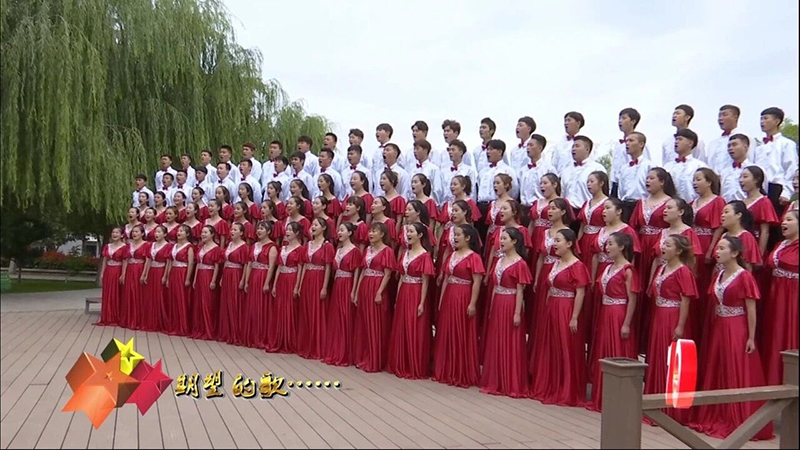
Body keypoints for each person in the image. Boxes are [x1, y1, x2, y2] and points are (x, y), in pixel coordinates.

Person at [690, 236, 773, 441]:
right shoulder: (719, 275)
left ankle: (738, 416)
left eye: (722, 248)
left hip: (737, 327)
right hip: (719, 325)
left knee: (734, 368)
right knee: (717, 366)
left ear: (735, 253)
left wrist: (751, 337)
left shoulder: (744, 276)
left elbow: (751, 308)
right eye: (717, 248)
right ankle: (715, 411)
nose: (717, 252)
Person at [530, 229, 591, 406]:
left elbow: (580, 292)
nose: (554, 244)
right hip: (552, 307)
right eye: (554, 241)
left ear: (569, 243)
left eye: (558, 241)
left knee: (566, 346)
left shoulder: (577, 266)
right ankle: (550, 384)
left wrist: (574, 317)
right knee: (551, 345)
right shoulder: (556, 263)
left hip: (567, 308)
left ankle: (567, 388)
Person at [644, 234, 698, 425]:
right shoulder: (661, 268)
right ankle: (655, 404)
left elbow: (686, 300)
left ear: (679, 250)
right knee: (658, 357)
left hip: (673, 316)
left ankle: (674, 410)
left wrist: (680, 325)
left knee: (673, 361)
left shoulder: (683, 271)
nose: (663, 248)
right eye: (663, 244)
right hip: (659, 315)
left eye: (668, 245)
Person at [586, 232, 639, 412]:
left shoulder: (628, 270)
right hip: (606, 311)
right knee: (604, 349)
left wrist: (626, 323)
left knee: (617, 349)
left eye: (610, 244)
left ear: (621, 247)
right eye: (606, 244)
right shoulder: (608, 267)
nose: (606, 248)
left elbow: (632, 298)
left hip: (618, 313)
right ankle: (602, 396)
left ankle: (619, 398)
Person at [479, 227, 532, 398]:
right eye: (500, 238)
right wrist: (492, 306)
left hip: (511, 302)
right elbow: (495, 285)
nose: (501, 242)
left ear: (514, 241)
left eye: (505, 239)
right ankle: (495, 379)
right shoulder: (499, 260)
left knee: (510, 341)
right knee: (496, 339)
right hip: (498, 302)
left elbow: (520, 291)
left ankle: (511, 381)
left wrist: (517, 313)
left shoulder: (520, 263)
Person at [433, 224, 484, 388]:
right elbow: (446, 278)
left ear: (468, 238)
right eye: (454, 235)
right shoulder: (452, 255)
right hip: (450, 294)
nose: (455, 238)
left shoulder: (474, 257)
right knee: (447, 330)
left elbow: (477, 281)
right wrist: (442, 299)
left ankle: (461, 371)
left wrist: (472, 303)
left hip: (464, 295)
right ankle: (445, 369)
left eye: (458, 235)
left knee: (461, 330)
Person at [629, 168, 675, 340]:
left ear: (662, 181)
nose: (648, 181)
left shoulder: (669, 203)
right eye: (647, 178)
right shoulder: (641, 202)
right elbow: (633, 228)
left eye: (652, 178)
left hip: (659, 247)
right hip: (641, 247)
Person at [387, 223, 435, 379]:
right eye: (407, 231)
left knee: (414, 326)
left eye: (411, 232)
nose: (408, 234)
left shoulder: (425, 255)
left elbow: (425, 281)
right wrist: (398, 296)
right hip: (404, 291)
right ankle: (400, 362)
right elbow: (401, 276)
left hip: (416, 292)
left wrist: (422, 302)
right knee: (401, 325)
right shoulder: (405, 253)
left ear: (420, 235)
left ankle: (414, 364)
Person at [762, 210, 799, 385]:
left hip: (793, 299)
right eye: (783, 220)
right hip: (775, 297)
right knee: (773, 335)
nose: (783, 223)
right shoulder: (780, 244)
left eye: (789, 220)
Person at [530, 199, 573, 345]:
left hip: (560, 272)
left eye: (554, 208)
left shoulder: (567, 233)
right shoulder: (545, 232)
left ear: (563, 212)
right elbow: (541, 257)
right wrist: (537, 278)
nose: (550, 211)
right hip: (545, 272)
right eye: (549, 208)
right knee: (541, 309)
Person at [353, 222, 396, 373]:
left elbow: (388, 274)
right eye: (370, 231)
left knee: (376, 323)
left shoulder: (387, 251)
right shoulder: (367, 250)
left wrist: (379, 291)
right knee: (364, 321)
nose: (370, 234)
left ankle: (374, 359)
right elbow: (363, 271)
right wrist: (357, 291)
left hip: (377, 285)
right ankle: (362, 356)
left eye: (374, 231)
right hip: (365, 285)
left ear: (382, 234)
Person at [691, 168, 727, 341]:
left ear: (709, 182)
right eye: (694, 179)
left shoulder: (718, 201)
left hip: (706, 242)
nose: (695, 183)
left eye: (699, 179)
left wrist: (711, 248)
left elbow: (719, 226)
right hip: (692, 243)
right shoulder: (693, 202)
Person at [322, 223, 363, 367]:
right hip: (338, 284)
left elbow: (357, 271)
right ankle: (334, 350)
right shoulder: (338, 250)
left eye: (342, 230)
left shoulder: (355, 251)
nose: (339, 233)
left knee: (345, 317)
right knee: (336, 317)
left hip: (348, 283)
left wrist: (354, 290)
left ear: (350, 233)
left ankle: (345, 352)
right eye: (338, 230)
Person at [297, 218, 335, 360]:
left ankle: (317, 346)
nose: (313, 227)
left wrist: (324, 287)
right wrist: (300, 285)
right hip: (307, 278)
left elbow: (328, 268)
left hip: (319, 279)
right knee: (306, 311)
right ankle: (306, 345)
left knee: (317, 312)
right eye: (312, 225)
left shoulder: (327, 246)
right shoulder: (308, 245)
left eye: (316, 225)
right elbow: (304, 265)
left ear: (323, 228)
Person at [266, 222, 307, 353]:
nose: (287, 232)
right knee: (279, 308)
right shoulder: (283, 248)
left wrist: (297, 286)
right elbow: (279, 266)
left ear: (296, 233)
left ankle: (289, 340)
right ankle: (279, 338)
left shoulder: (300, 249)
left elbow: (300, 268)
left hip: (292, 278)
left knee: (289, 309)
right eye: (287, 229)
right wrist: (275, 284)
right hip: (282, 279)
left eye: (290, 230)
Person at [648, 199, 703, 287]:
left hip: (677, 278)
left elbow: (692, 260)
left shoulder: (688, 232)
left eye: (669, 208)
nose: (665, 211)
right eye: (664, 208)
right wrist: (651, 282)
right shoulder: (663, 232)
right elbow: (657, 259)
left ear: (681, 212)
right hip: (660, 276)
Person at [754, 107, 798, 215]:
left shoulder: (786, 144)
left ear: (776, 121)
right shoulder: (759, 148)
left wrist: (787, 192)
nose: (762, 122)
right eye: (761, 119)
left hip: (777, 188)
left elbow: (791, 168)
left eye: (765, 118)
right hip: (760, 190)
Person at [243, 221, 278, 349]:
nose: (258, 231)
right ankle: (251, 336)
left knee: (262, 306)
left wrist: (267, 283)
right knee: (252, 306)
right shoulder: (254, 245)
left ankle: (262, 336)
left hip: (263, 276)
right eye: (258, 228)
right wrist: (246, 281)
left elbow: (271, 266)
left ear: (268, 231)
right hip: (253, 276)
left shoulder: (272, 247)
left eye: (262, 229)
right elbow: (249, 264)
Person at [218, 222, 250, 346]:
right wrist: (222, 276)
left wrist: (243, 279)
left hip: (236, 274)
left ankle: (236, 333)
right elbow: (225, 262)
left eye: (235, 230)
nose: (232, 231)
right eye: (231, 229)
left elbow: (246, 264)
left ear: (241, 233)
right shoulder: (229, 244)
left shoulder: (244, 247)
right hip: (227, 273)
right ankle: (226, 332)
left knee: (235, 302)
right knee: (226, 301)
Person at [190, 226, 222, 340]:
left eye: (205, 232)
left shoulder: (216, 249)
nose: (203, 234)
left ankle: (208, 330)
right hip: (200, 275)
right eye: (202, 232)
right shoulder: (200, 247)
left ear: (212, 234)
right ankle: (199, 328)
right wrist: (194, 279)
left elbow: (217, 266)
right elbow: (198, 264)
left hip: (208, 275)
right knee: (198, 302)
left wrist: (213, 280)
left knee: (207, 302)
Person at [561, 136, 607, 215]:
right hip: (568, 212)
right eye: (573, 146)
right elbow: (563, 193)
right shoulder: (566, 170)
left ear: (587, 149)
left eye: (577, 146)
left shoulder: (597, 168)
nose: (573, 149)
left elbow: (604, 192)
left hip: (587, 212)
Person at [611, 108, 652, 195]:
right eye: (619, 118)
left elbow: (645, 166)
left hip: (633, 184)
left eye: (624, 118)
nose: (620, 121)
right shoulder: (618, 145)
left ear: (633, 121)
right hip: (618, 183)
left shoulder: (640, 143)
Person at [742, 166, 779, 257]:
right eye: (740, 177)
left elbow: (765, 231)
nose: (741, 180)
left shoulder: (764, 202)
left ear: (756, 179)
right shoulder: (742, 202)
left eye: (745, 177)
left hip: (755, 244)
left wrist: (759, 255)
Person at [96, 227, 130, 326]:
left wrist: (123, 274)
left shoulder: (124, 247)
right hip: (108, 271)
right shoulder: (107, 246)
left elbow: (125, 261)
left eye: (117, 233)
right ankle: (107, 316)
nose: (114, 234)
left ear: (122, 235)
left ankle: (116, 316)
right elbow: (105, 260)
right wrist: (102, 273)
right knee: (107, 293)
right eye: (113, 232)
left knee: (116, 293)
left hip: (118, 270)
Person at [663, 128, 708, 203]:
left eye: (680, 139)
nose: (676, 142)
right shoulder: (667, 167)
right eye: (676, 139)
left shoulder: (699, 166)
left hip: (694, 205)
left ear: (690, 143)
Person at [617, 132, 653, 222]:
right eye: (626, 141)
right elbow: (621, 190)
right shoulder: (624, 168)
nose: (627, 143)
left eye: (631, 140)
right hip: (625, 205)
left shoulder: (649, 166)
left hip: (642, 205)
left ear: (641, 144)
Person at [165, 225, 194, 336]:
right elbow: (170, 262)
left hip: (182, 272)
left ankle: (182, 326)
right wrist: (168, 276)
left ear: (187, 234)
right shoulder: (174, 246)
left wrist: (187, 278)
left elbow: (190, 263)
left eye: (182, 231)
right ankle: (173, 325)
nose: (179, 232)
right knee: (173, 298)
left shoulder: (189, 247)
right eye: (178, 230)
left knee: (181, 298)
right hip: (174, 272)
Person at [141, 225, 171, 332]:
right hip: (152, 271)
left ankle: (159, 321)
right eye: (155, 232)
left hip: (160, 271)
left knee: (159, 296)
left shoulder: (168, 246)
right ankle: (149, 321)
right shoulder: (151, 245)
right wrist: (145, 274)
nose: (156, 234)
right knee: (150, 296)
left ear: (165, 234)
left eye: (159, 232)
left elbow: (168, 262)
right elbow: (148, 260)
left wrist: (165, 276)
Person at [519, 134, 556, 220]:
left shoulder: (548, 168)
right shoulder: (523, 170)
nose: (528, 148)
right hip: (524, 208)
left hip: (542, 208)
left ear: (540, 148)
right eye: (527, 145)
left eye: (531, 145)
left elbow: (555, 190)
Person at [577, 171, 609, 266]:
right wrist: (578, 242)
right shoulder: (586, 203)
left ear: (601, 183)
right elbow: (582, 225)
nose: (588, 184)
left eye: (592, 181)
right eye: (587, 182)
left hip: (599, 239)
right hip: (584, 240)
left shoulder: (607, 203)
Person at [121, 225, 149, 329]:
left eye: (137, 232)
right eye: (133, 232)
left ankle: (138, 320)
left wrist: (144, 274)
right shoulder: (128, 246)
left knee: (138, 293)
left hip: (140, 269)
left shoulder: (147, 245)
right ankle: (128, 319)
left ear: (142, 233)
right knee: (129, 293)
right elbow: (125, 260)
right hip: (130, 269)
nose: (134, 233)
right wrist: (123, 274)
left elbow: (148, 260)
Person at [707, 104, 746, 175]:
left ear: (735, 117)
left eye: (724, 115)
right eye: (719, 116)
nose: (720, 118)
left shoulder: (745, 138)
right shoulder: (713, 143)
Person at [483, 174, 515, 260]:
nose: (495, 185)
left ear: (506, 185)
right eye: (494, 183)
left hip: (502, 237)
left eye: (498, 183)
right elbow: (490, 225)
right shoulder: (492, 203)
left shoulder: (511, 203)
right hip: (491, 237)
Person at [436, 200, 474, 271]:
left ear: (464, 212)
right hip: (449, 265)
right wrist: (442, 270)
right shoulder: (450, 229)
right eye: (452, 211)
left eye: (456, 211)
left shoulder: (471, 231)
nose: (453, 213)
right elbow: (447, 250)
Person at [408, 139, 446, 205]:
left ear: (425, 151)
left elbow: (438, 189)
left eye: (417, 149)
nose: (415, 151)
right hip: (414, 204)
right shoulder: (412, 169)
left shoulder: (433, 169)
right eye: (414, 149)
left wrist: (430, 202)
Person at [720, 134, 756, 202]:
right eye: (729, 146)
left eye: (734, 145)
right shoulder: (724, 172)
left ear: (745, 147)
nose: (730, 148)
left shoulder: (755, 169)